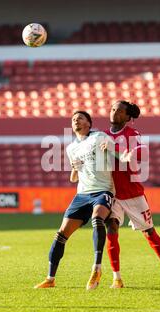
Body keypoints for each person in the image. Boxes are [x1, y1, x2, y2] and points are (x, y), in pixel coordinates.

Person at [100, 100, 160, 289]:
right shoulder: (101, 136)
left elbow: (138, 153)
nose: (114, 113)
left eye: (120, 111)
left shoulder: (133, 134)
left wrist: (117, 151)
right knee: (111, 230)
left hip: (132, 193)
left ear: (128, 117)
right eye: (113, 109)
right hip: (112, 193)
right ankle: (117, 277)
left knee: (149, 232)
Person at [35, 111, 114, 290]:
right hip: (82, 194)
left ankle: (96, 268)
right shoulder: (72, 148)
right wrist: (74, 169)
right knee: (61, 234)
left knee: (97, 219)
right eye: (73, 119)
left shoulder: (98, 136)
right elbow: (74, 177)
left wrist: (110, 147)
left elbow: (112, 147)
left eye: (79, 118)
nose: (75, 121)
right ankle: (50, 279)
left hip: (102, 191)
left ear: (88, 123)